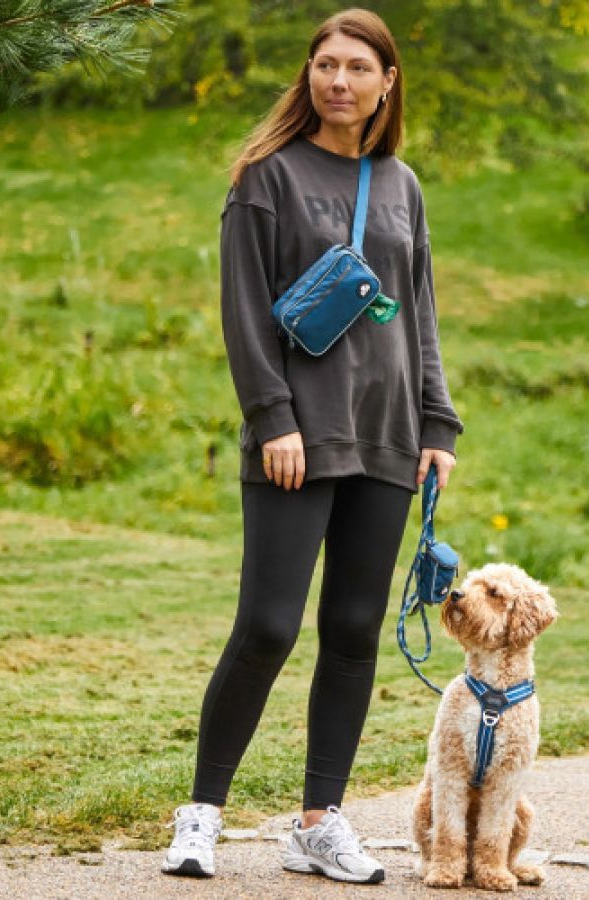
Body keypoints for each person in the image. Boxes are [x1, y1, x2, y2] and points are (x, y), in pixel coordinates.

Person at [161, 7, 464, 886]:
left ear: (386, 82)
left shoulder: (400, 183)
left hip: (387, 435)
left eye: (357, 67)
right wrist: (272, 417)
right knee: (265, 626)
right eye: (326, 64)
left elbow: (421, 313)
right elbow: (245, 309)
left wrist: (436, 424)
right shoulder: (267, 177)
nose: (339, 80)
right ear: (309, 75)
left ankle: (318, 822)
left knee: (355, 630)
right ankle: (201, 814)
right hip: (296, 435)